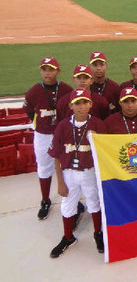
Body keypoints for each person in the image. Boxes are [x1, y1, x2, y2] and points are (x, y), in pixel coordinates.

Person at [48, 89, 106, 258]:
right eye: (77, 103)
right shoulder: (63, 126)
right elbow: (56, 155)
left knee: (94, 203)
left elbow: (104, 153)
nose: (81, 107)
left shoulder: (98, 124)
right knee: (67, 205)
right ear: (70, 106)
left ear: (91, 104)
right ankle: (68, 237)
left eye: (85, 102)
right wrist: (60, 181)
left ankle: (98, 233)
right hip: (69, 173)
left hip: (90, 172)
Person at [23, 57, 73, 220]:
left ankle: (71, 197)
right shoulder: (34, 91)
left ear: (58, 71)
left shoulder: (66, 89)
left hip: (63, 134)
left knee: (67, 167)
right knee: (44, 167)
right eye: (44, 69)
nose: (47, 73)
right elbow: (29, 111)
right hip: (43, 135)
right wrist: (42, 123)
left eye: (51, 69)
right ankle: (45, 200)